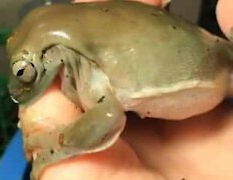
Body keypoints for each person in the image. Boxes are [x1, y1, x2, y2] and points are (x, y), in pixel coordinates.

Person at [22, 0, 233, 179]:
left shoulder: (87, 69)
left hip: (217, 70)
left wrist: (56, 145)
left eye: (23, 72)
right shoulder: (80, 64)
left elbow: (108, 114)